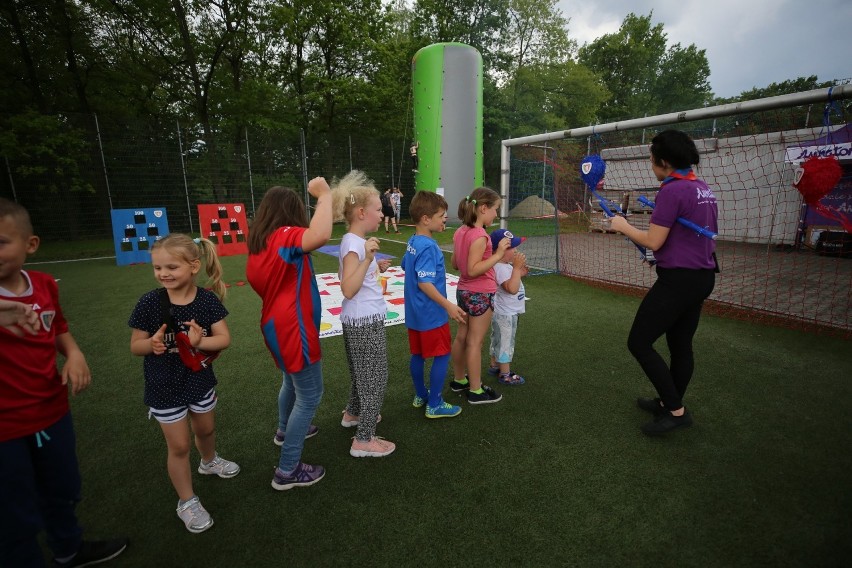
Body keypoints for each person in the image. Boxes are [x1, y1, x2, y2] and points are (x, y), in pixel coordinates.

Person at [0, 198, 128, 567]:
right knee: (14, 512)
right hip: (6, 427)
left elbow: (58, 327)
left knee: (63, 488)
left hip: (51, 410)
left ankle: (68, 549)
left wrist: (73, 353)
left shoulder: (42, 285)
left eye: (1, 242)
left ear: (30, 244)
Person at [607, 129, 719, 436]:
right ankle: (669, 403)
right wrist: (661, 255)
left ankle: (675, 410)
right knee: (680, 344)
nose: (651, 164)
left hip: (680, 281)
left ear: (664, 162)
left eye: (652, 159)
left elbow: (654, 240)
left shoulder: (672, 191)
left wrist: (623, 226)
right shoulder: (702, 187)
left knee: (639, 342)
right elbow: (689, 236)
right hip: (702, 276)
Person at [129, 233, 238, 534]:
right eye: (157, 268)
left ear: (193, 266)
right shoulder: (150, 302)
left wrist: (200, 340)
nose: (163, 274)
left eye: (171, 267)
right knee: (178, 446)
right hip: (164, 387)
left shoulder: (206, 300)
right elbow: (135, 345)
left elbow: (224, 339)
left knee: (206, 430)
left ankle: (209, 461)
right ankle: (186, 501)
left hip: (199, 381)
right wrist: (150, 345)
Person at [246, 177, 332, 489]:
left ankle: (285, 430)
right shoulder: (284, 236)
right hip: (293, 328)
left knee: (291, 382)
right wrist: (324, 195)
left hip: (275, 324)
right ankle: (288, 469)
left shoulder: (261, 240)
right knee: (310, 396)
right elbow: (320, 234)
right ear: (291, 212)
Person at [331, 171, 396, 457]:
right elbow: (347, 288)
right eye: (378, 209)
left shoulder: (351, 241)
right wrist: (369, 259)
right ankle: (364, 439)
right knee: (375, 377)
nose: (382, 214)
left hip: (359, 318)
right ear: (361, 213)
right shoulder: (356, 244)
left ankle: (353, 414)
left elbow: (345, 273)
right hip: (363, 319)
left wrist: (373, 267)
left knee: (362, 373)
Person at [401, 191, 467, 418]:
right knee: (441, 354)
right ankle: (435, 403)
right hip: (431, 314)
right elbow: (424, 283)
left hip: (414, 313)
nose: (444, 219)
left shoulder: (412, 241)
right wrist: (447, 305)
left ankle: (421, 394)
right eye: (441, 215)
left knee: (418, 354)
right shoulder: (428, 246)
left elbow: (405, 266)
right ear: (426, 219)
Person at [449, 187, 510, 404]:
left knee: (462, 337)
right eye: (495, 210)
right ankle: (475, 390)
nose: (496, 215)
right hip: (480, 293)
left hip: (463, 291)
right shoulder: (481, 235)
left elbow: (456, 264)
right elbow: (474, 269)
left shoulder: (460, 232)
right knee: (475, 341)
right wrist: (499, 254)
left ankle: (459, 379)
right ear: (483, 208)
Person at [486, 228, 529, 385]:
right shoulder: (501, 267)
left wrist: (518, 272)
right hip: (506, 314)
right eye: (512, 248)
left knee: (497, 338)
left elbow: (512, 281)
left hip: (504, 313)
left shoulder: (504, 265)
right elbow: (511, 289)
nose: (516, 250)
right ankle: (505, 374)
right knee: (505, 342)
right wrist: (516, 269)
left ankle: (494, 365)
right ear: (501, 250)